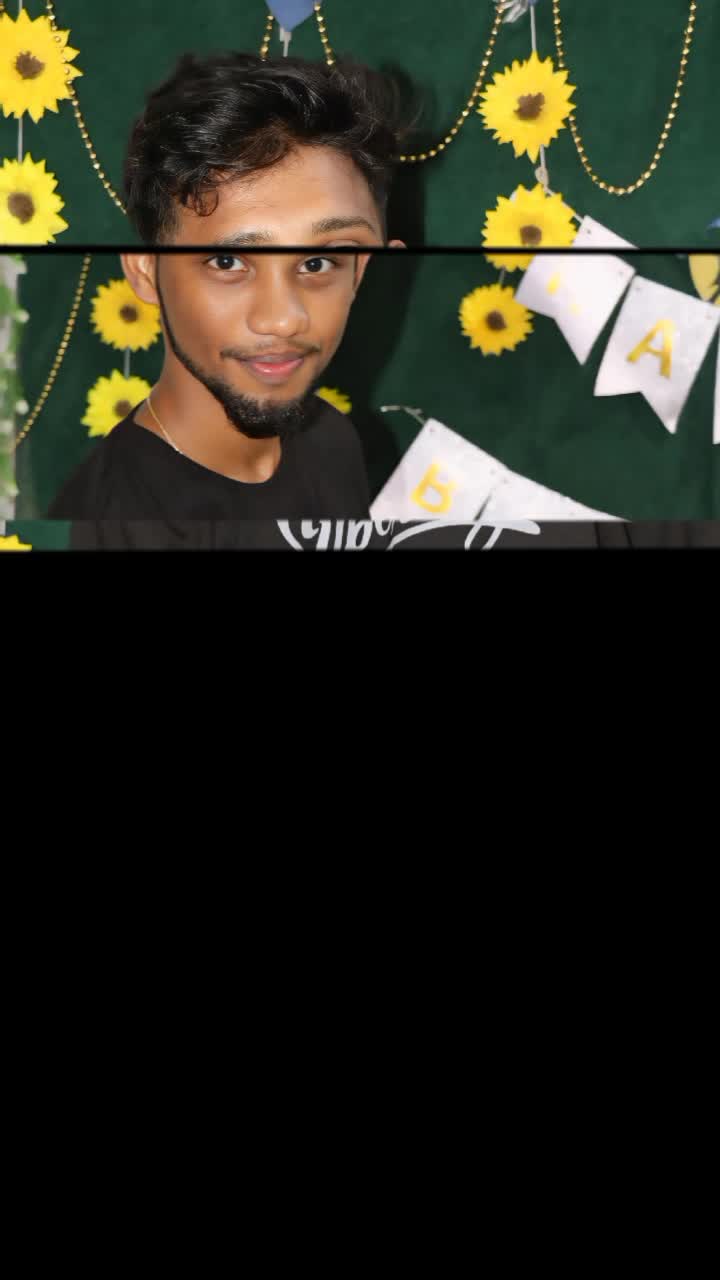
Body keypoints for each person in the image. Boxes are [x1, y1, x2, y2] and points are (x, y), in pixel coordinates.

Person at [48, 52, 408, 527]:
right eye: (228, 262)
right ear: (146, 272)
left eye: (319, 263)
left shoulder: (330, 440)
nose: (283, 319)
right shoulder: (111, 521)